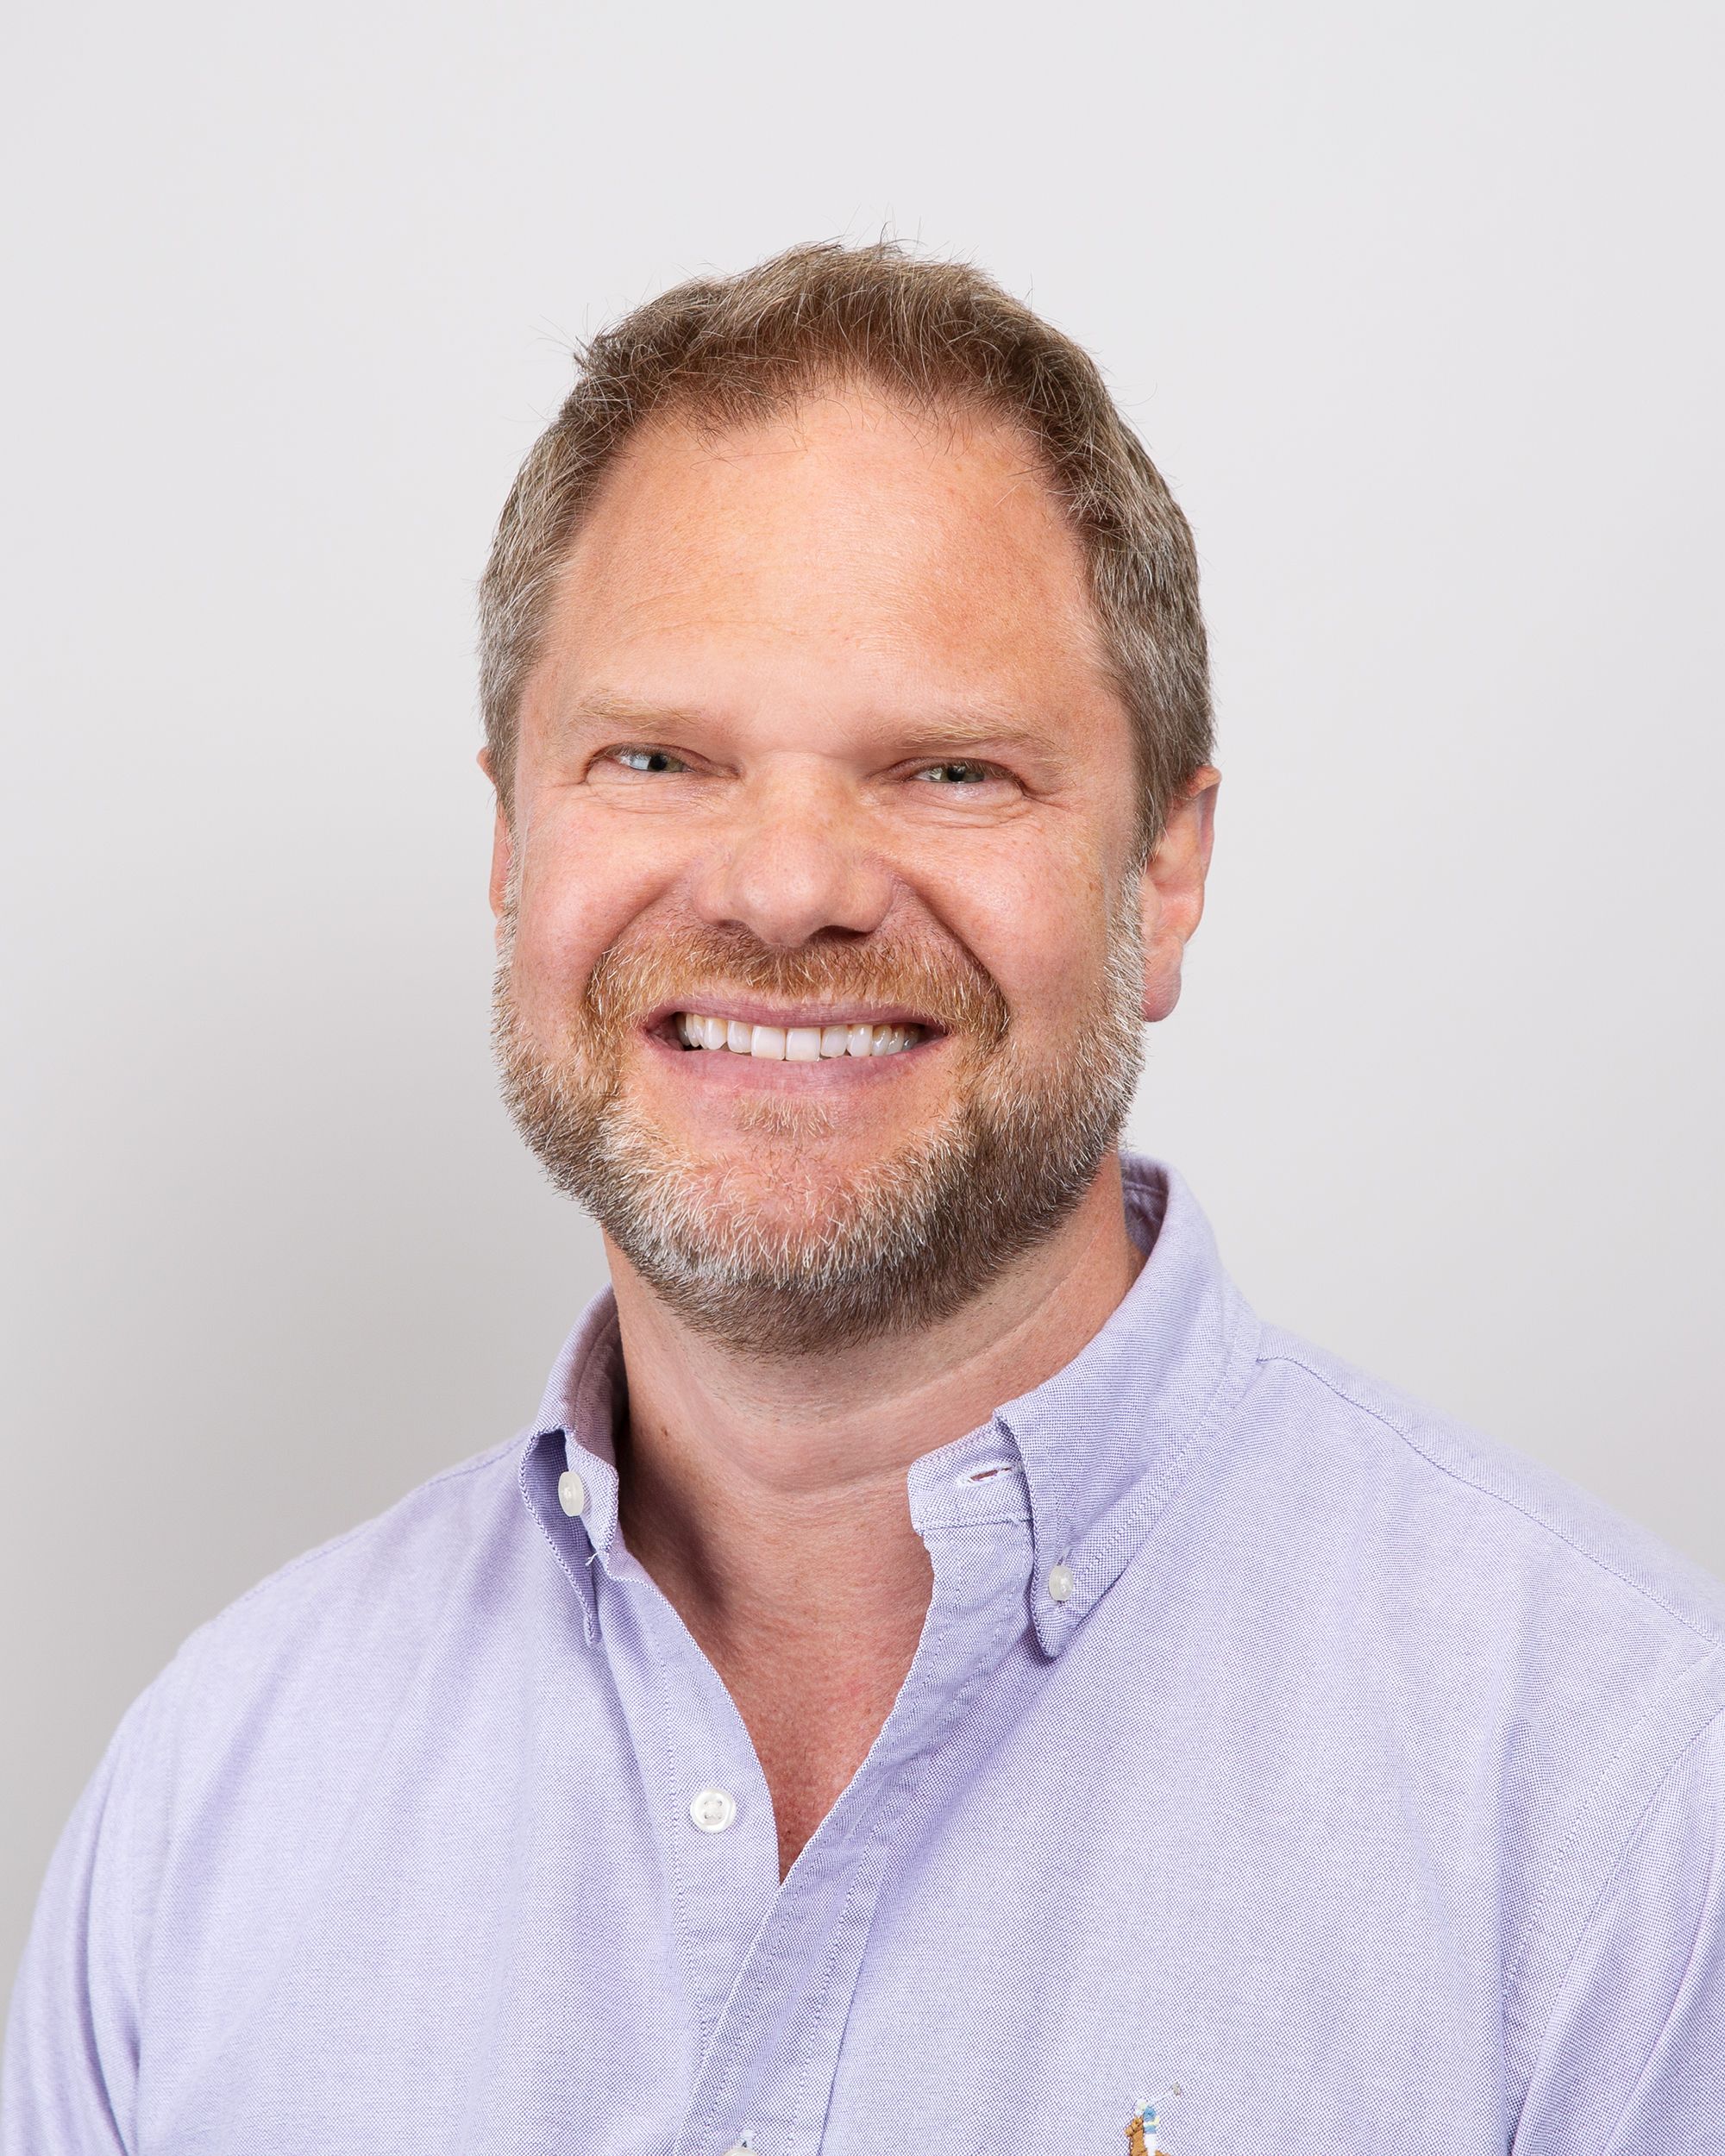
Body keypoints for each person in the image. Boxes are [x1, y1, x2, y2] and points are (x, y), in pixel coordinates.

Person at [3, 239, 1722, 2156]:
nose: (782, 884)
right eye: (655, 756)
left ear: (1164, 870)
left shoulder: (1618, 1803)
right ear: (512, 837)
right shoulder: (214, 1798)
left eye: (949, 770)